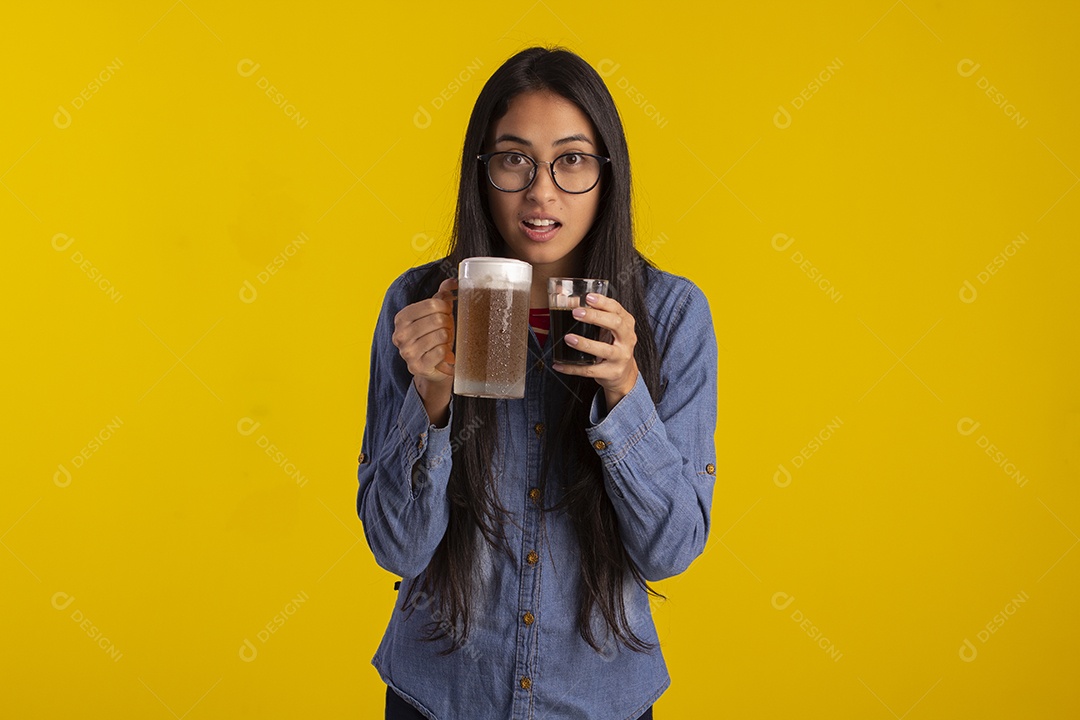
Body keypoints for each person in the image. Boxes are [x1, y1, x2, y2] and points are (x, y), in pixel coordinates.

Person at [356, 46, 718, 720]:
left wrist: (624, 395)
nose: (541, 191)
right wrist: (432, 396)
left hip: (599, 700)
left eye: (572, 160)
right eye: (514, 158)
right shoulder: (419, 304)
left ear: (608, 175)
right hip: (439, 697)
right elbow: (395, 548)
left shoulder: (671, 314)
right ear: (482, 172)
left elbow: (670, 551)